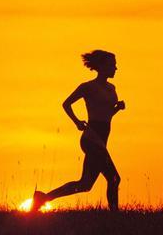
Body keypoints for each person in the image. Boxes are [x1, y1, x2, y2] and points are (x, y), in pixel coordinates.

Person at [31, 50, 126, 211]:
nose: (116, 68)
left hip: (102, 139)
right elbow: (66, 104)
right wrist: (76, 122)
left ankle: (43, 198)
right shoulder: (88, 87)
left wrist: (117, 109)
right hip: (92, 138)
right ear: (102, 66)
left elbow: (105, 115)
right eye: (112, 64)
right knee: (114, 178)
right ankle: (115, 216)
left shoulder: (112, 88)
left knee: (85, 184)